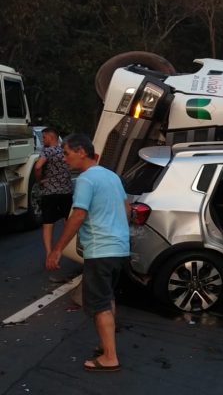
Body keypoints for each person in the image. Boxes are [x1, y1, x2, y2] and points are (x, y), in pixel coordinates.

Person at [46, 133, 130, 372]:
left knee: (100, 304)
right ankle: (106, 346)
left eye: (66, 153)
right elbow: (127, 209)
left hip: (101, 251)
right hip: (119, 249)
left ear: (81, 151)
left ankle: (110, 357)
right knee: (108, 298)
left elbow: (78, 215)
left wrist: (57, 249)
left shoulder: (85, 179)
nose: (64, 159)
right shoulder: (112, 176)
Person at [34, 127, 73, 256]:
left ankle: (49, 253)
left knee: (48, 222)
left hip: (50, 192)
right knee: (67, 220)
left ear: (51, 137)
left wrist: (40, 180)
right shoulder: (66, 151)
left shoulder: (47, 151)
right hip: (66, 191)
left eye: (44, 137)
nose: (43, 140)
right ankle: (67, 249)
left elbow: (38, 166)